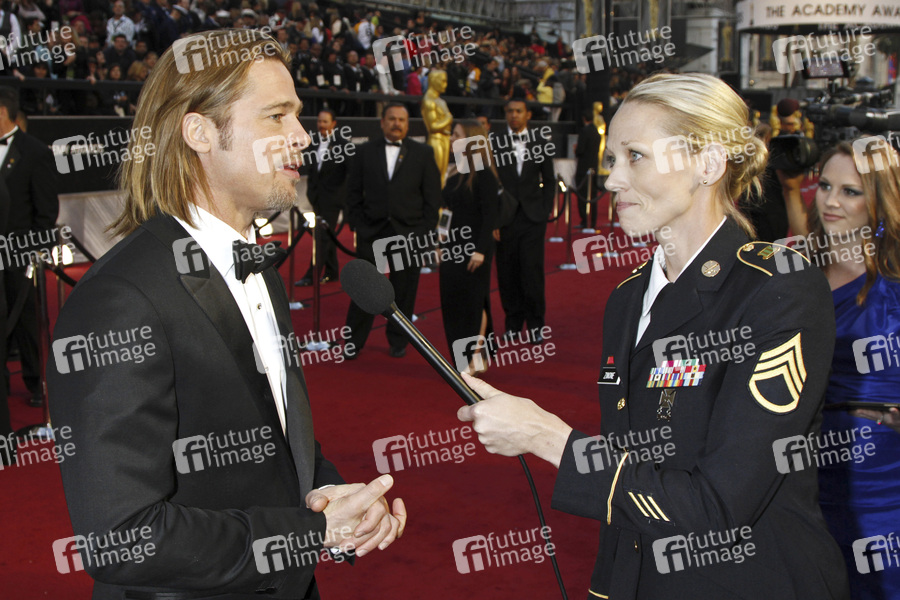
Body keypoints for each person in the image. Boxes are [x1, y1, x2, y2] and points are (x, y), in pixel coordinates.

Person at [458, 73, 849, 599]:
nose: (612, 180)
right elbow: (632, 464)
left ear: (708, 163)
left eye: (635, 156)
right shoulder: (627, 298)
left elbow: (720, 505)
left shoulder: (778, 288)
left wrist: (546, 438)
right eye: (611, 159)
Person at [48, 30, 406, 600]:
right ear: (200, 133)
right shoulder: (120, 300)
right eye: (277, 116)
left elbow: (278, 442)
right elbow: (121, 538)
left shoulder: (261, 271)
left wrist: (337, 498)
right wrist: (309, 534)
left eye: (297, 116)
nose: (301, 136)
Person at [809, 140, 900, 600]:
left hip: (877, 480)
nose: (830, 201)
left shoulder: (894, 287)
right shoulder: (793, 271)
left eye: (850, 191)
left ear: (879, 201)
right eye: (825, 185)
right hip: (797, 473)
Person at [343, 103, 441, 359]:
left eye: (402, 120)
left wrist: (423, 232)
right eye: (392, 119)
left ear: (407, 124)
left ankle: (399, 340)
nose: (397, 123)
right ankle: (353, 341)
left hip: (409, 234)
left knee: (404, 292)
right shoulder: (364, 151)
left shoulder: (423, 152)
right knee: (364, 290)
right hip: (372, 232)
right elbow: (352, 192)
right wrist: (358, 224)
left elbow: (432, 198)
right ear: (382, 122)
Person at [0, 86, 58, 407]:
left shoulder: (35, 152)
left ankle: (37, 382)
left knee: (25, 320)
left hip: (19, 254)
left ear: (2, 112)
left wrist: (33, 251)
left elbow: (46, 210)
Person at [492, 98, 555, 343]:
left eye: (518, 111)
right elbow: (489, 183)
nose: (514, 115)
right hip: (504, 219)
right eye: (510, 111)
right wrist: (493, 221)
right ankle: (513, 323)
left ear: (527, 114)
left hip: (532, 218)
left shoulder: (541, 142)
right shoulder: (494, 142)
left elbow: (549, 180)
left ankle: (536, 324)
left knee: (532, 271)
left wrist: (545, 210)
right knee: (507, 273)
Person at [440, 122, 498, 374]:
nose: (451, 138)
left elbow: (490, 215)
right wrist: (440, 241)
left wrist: (481, 250)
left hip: (476, 247)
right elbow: (446, 212)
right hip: (452, 247)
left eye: (456, 135)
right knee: (452, 301)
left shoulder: (484, 174)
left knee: (474, 301)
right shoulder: (455, 172)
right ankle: (463, 355)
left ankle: (474, 355)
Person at [295, 108, 349, 286]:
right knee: (327, 235)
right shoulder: (314, 142)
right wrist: (311, 192)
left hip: (333, 199)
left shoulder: (342, 144)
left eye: (325, 121)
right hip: (316, 197)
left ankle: (311, 275)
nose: (321, 125)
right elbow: (312, 169)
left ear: (334, 124)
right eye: (319, 121)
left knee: (322, 237)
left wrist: (342, 196)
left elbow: (348, 173)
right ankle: (332, 271)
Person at [574, 109, 602, 230]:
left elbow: (580, 150)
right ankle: (593, 220)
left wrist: (575, 149)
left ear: (584, 118)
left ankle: (585, 220)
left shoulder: (584, 132)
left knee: (583, 195)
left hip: (583, 168)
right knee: (593, 194)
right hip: (594, 166)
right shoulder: (596, 132)